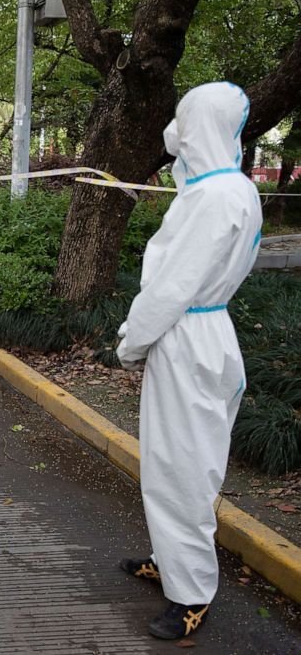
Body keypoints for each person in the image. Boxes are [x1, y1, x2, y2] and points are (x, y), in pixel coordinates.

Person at [115, 82, 262, 640]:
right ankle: (171, 561)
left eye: (182, 116)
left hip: (186, 335)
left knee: (182, 469)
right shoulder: (230, 188)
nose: (174, 128)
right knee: (179, 460)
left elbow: (170, 288)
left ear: (198, 122)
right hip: (205, 332)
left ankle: (191, 594)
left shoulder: (214, 197)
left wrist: (132, 343)